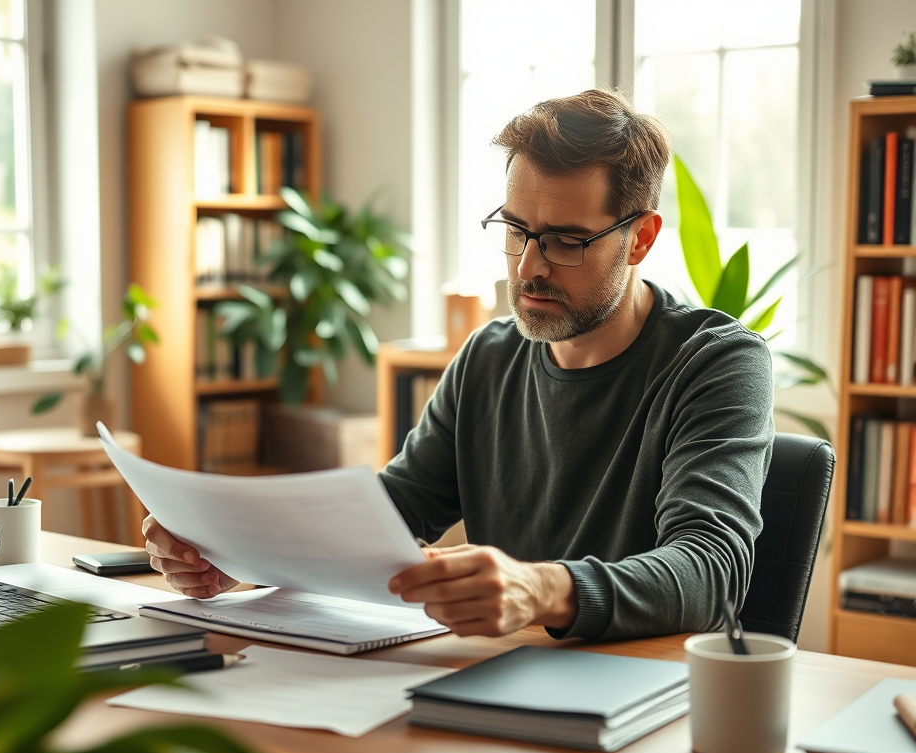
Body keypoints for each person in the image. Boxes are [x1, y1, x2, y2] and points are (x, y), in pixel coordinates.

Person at [143, 89, 774, 642]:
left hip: (644, 697)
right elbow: (391, 513)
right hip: (497, 677)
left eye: (565, 241)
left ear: (640, 238)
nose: (529, 266)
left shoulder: (717, 363)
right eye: (516, 229)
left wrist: (542, 589)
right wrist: (242, 550)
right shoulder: (488, 357)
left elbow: (710, 569)